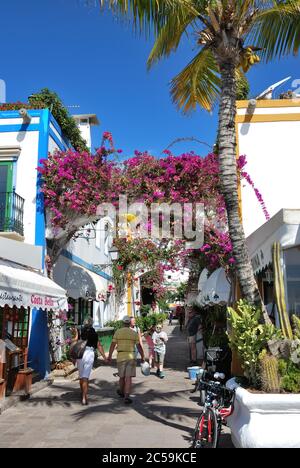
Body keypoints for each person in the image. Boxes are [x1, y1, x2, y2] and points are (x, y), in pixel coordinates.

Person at [108, 315, 145, 404]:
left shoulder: (118, 332)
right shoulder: (134, 333)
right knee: (128, 378)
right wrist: (143, 356)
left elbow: (112, 345)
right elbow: (138, 346)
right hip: (131, 357)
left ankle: (121, 391)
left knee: (121, 377)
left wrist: (109, 356)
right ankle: (126, 396)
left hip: (120, 356)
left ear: (123, 323)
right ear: (129, 323)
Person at [76, 318, 107, 405]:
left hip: (80, 354)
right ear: (92, 324)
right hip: (89, 354)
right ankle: (84, 397)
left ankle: (82, 393)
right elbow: (99, 345)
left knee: (81, 376)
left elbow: (75, 342)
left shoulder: (81, 332)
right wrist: (104, 357)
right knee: (85, 377)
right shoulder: (94, 333)